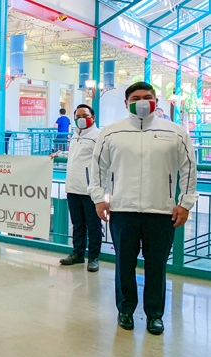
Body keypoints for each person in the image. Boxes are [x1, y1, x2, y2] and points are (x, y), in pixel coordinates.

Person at [89, 82, 198, 336]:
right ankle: (125, 309)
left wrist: (185, 203)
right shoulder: (111, 133)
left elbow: (189, 169)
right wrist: (98, 198)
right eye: (136, 97)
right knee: (123, 263)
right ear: (126, 103)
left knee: (157, 265)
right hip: (122, 211)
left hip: (161, 211)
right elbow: (98, 169)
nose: (142, 101)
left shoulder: (175, 132)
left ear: (156, 101)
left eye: (147, 97)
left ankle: (154, 315)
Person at [51, 104, 102, 272]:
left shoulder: (99, 136)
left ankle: (94, 257)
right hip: (72, 187)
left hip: (89, 190)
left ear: (92, 118)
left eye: (85, 115)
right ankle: (78, 253)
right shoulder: (74, 136)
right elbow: (75, 155)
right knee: (78, 224)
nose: (81, 119)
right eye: (78, 116)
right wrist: (59, 154)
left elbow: (104, 162)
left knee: (93, 225)